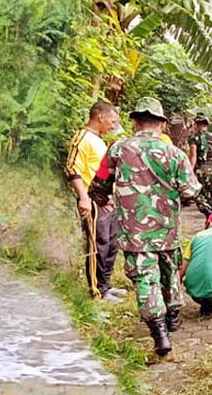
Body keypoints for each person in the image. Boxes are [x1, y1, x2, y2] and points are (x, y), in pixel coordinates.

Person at [89, 96, 202, 356]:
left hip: (134, 232)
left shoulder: (117, 148)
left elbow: (99, 184)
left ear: (136, 122)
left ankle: (159, 332)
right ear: (161, 124)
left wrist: (104, 199)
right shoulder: (174, 152)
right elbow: (190, 191)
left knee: (145, 280)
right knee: (169, 272)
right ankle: (173, 316)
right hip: (167, 229)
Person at [65, 101, 125, 302]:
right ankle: (97, 289)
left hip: (107, 200)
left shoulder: (100, 140)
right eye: (112, 121)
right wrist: (83, 197)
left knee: (111, 244)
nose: (113, 125)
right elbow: (72, 169)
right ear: (100, 117)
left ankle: (106, 283)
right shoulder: (82, 138)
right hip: (92, 201)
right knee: (97, 245)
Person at [188, 113, 212, 216]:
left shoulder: (194, 138)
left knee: (200, 195)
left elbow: (193, 156)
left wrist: (189, 172)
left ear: (197, 124)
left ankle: (209, 215)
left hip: (202, 169)